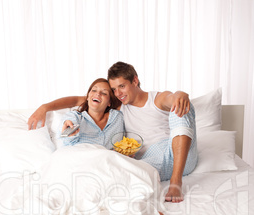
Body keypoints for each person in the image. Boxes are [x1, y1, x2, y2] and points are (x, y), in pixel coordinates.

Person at [28, 62, 197, 203]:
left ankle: (176, 182)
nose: (119, 93)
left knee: (181, 107)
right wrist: (45, 107)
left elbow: (171, 98)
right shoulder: (118, 106)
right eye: (114, 89)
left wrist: (180, 94)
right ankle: (140, 208)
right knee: (117, 171)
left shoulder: (157, 99)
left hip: (178, 154)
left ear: (135, 81)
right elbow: (80, 100)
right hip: (148, 162)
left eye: (122, 86)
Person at [56, 78, 124, 149]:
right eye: (94, 90)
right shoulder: (76, 117)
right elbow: (66, 136)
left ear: (109, 102)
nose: (98, 94)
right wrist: (68, 126)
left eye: (104, 93)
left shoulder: (117, 117)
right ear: (88, 97)